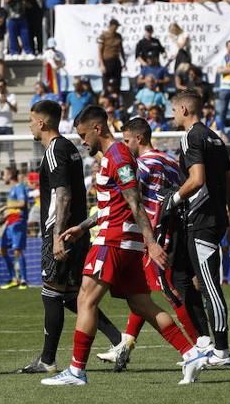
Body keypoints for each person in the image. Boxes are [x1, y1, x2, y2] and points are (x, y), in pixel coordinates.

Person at [40, 106, 209, 386]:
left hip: (114, 240)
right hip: (122, 240)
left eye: (83, 135)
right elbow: (114, 204)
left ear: (98, 129)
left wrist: (151, 243)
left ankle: (76, 371)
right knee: (142, 304)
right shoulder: (114, 156)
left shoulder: (117, 155)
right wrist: (82, 227)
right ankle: (191, 353)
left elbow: (134, 201)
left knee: (85, 299)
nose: (81, 141)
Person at [16, 100, 122, 374]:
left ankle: (48, 360)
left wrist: (57, 237)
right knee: (73, 296)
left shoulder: (55, 151)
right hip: (77, 232)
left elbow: (62, 195)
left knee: (52, 293)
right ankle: (119, 341)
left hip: (63, 232)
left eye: (30, 120)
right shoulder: (70, 149)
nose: (29, 125)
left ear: (41, 122)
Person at [99, 119, 198, 366]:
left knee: (168, 291)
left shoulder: (143, 164)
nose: (124, 146)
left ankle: (198, 347)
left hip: (153, 233)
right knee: (140, 295)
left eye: (126, 140)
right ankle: (125, 345)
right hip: (172, 229)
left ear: (139, 138)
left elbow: (129, 197)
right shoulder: (170, 161)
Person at [168, 89, 230, 367]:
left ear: (184, 110)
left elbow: (196, 179)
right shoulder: (215, 139)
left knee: (210, 286)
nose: (172, 116)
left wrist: (173, 200)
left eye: (174, 110)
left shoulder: (191, 136)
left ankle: (221, 351)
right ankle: (205, 343)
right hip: (214, 219)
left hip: (201, 220)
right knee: (190, 281)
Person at [0, 166, 29, 289]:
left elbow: (22, 204)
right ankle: (14, 279)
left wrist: (5, 207)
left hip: (18, 222)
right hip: (10, 222)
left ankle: (24, 280)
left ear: (10, 175)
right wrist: (4, 219)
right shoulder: (12, 190)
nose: (2, 176)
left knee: (17, 250)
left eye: (4, 174)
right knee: (2, 250)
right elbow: (15, 207)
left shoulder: (19, 187)